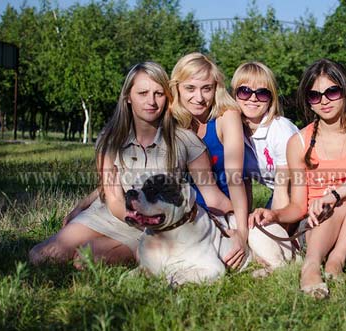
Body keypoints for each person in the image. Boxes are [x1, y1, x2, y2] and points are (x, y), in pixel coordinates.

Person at [29, 61, 232, 266]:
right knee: (42, 256)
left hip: (154, 223)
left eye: (158, 94)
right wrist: (87, 205)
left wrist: (241, 227)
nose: (151, 101)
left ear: (168, 98)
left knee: (85, 260)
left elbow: (212, 195)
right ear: (128, 97)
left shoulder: (185, 140)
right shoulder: (110, 139)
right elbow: (114, 198)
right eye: (142, 93)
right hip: (111, 213)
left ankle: (126, 249)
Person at [249, 58, 346, 299]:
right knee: (326, 208)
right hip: (319, 232)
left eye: (331, 92)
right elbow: (298, 206)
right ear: (308, 102)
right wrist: (275, 215)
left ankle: (337, 259)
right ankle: (312, 265)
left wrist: (334, 194)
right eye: (315, 96)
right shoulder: (299, 143)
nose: (324, 100)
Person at [169, 52, 252, 269]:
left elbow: (236, 179)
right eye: (190, 88)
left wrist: (242, 235)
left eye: (206, 88)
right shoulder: (171, 119)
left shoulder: (227, 116)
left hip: (225, 210)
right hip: (185, 211)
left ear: (216, 88)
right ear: (177, 87)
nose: (199, 98)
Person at [230, 61, 299, 216]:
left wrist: (276, 226)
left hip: (305, 192)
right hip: (279, 194)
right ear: (234, 94)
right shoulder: (234, 131)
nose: (253, 98)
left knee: (267, 233)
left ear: (271, 98)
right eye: (245, 91)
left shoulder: (281, 130)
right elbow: (245, 185)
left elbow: (284, 190)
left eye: (262, 93)